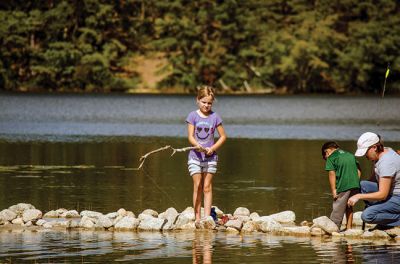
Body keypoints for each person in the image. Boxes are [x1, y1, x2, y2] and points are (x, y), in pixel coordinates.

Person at [186, 85, 227, 226]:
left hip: (210, 158)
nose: (206, 105)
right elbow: (190, 137)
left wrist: (212, 148)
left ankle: (207, 217)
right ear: (198, 100)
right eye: (204, 102)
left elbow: (223, 136)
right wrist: (197, 145)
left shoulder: (215, 117)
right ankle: (197, 216)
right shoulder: (192, 116)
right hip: (195, 157)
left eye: (209, 103)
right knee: (197, 185)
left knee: (207, 186)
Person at [347, 132, 400, 230]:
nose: (365, 156)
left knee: (367, 216)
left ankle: (394, 220)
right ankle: (384, 217)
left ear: (374, 147)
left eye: (365, 152)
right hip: (390, 193)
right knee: (362, 185)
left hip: (397, 197)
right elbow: (373, 180)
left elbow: (383, 194)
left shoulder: (387, 162)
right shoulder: (383, 152)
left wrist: (358, 196)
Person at [322, 141, 361, 230]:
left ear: (327, 151)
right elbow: (358, 169)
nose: (326, 159)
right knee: (349, 205)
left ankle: (333, 227)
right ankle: (349, 227)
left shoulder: (331, 157)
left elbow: (332, 174)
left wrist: (334, 190)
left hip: (343, 185)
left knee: (338, 206)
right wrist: (356, 181)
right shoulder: (350, 155)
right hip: (355, 184)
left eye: (325, 157)